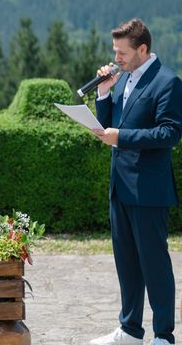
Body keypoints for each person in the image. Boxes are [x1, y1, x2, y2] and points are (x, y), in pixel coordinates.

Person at [90, 18, 182, 345]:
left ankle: (163, 336)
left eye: (122, 52)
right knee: (127, 264)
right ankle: (129, 331)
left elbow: (170, 133)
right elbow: (108, 129)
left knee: (154, 265)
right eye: (115, 51)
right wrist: (103, 95)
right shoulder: (125, 79)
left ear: (142, 49)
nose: (117, 58)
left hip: (149, 190)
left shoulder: (167, 82)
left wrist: (122, 137)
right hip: (121, 187)